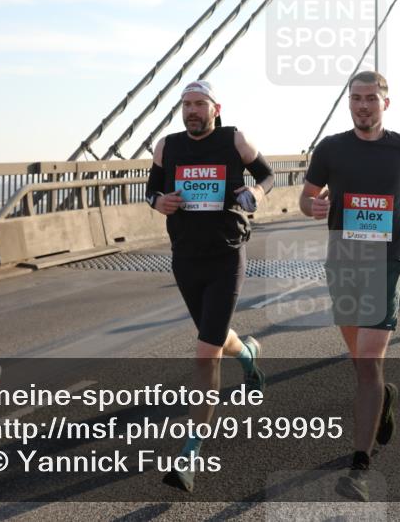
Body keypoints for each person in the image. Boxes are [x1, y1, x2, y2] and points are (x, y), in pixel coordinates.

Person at [300, 71, 400, 502]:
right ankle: (383, 397)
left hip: (386, 260)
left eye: (370, 99)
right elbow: (306, 197)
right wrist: (313, 206)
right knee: (361, 362)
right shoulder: (331, 148)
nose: (362, 106)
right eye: (356, 98)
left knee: (370, 358)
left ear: (385, 104)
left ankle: (360, 463)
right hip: (343, 261)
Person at [146, 80, 271, 493]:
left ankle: (190, 455)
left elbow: (267, 175)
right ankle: (249, 353)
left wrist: (255, 190)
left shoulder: (233, 140)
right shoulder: (167, 146)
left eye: (200, 104)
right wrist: (157, 201)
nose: (193, 111)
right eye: (186, 105)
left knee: (205, 353)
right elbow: (152, 187)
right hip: (185, 257)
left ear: (215, 107)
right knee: (213, 339)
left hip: (225, 254)